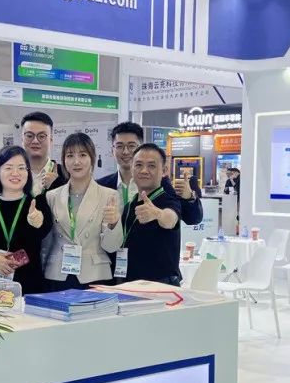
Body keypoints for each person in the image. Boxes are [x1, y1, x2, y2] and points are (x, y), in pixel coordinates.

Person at [0, 145, 53, 293]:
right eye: (8, 168)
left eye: (21, 168)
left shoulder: (37, 204)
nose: (15, 173)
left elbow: (44, 230)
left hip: (29, 289)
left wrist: (38, 222)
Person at [44, 133, 123, 291]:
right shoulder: (51, 196)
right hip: (58, 273)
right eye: (70, 155)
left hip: (95, 274)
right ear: (63, 160)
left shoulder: (109, 195)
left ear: (92, 158)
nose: (76, 161)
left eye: (82, 155)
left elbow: (111, 246)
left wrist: (114, 224)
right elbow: (46, 243)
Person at [97, 122, 203, 226]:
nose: (125, 151)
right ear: (112, 150)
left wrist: (189, 197)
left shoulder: (161, 183)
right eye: (119, 146)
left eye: (131, 146)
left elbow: (193, 219)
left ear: (141, 148)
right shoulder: (101, 185)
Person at [117, 143, 183, 285]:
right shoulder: (130, 205)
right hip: (130, 283)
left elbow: (171, 219)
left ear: (164, 171)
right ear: (132, 168)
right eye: (138, 165)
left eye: (151, 166)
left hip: (160, 286)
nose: (144, 171)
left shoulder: (168, 200)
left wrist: (158, 214)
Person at [20, 112, 67, 196]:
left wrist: (57, 184)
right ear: (22, 139)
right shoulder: (11, 174)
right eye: (29, 136)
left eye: (41, 136)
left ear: (51, 140)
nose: (35, 141)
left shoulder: (66, 173)